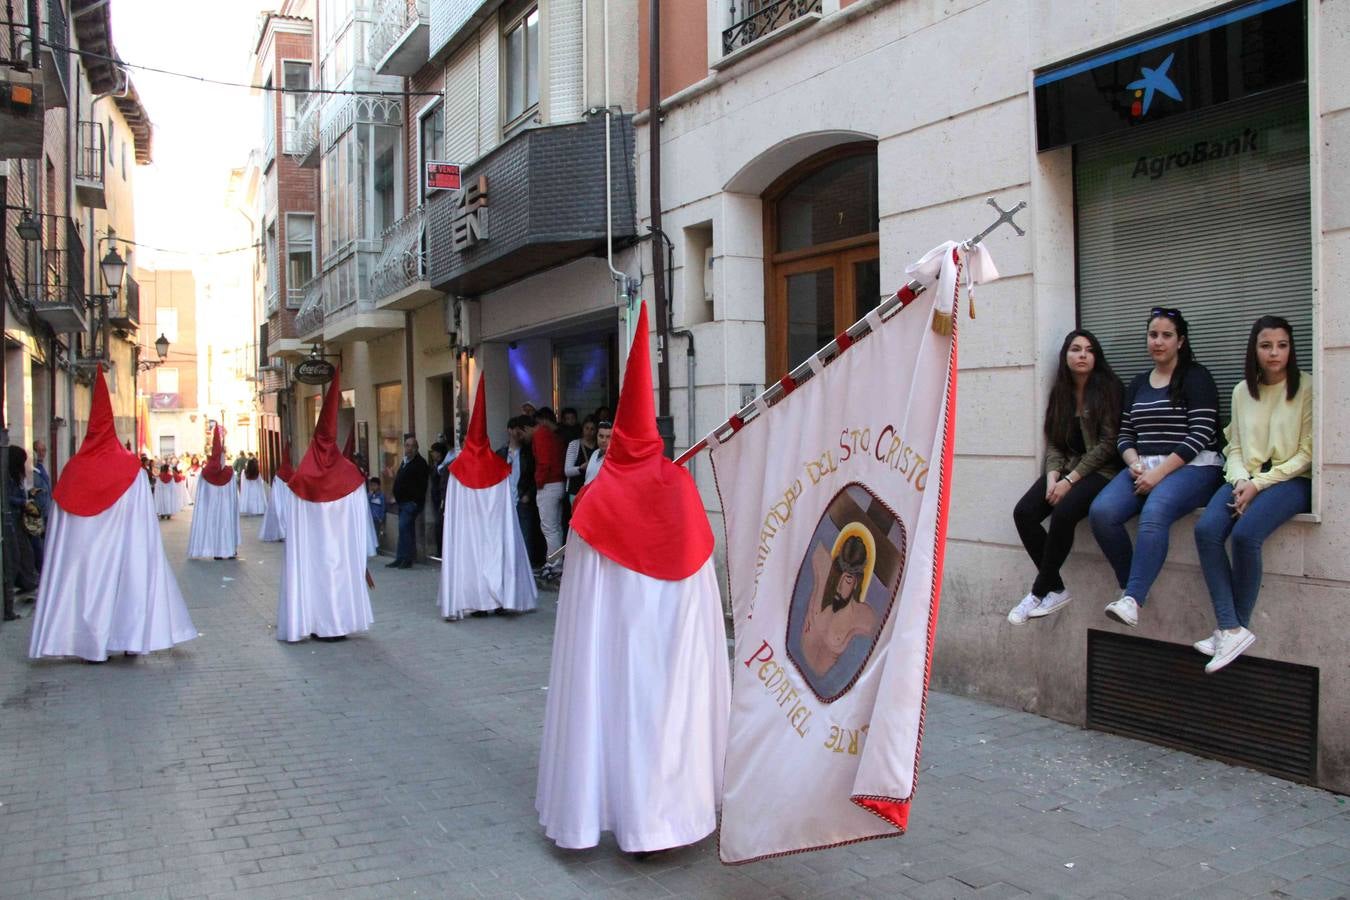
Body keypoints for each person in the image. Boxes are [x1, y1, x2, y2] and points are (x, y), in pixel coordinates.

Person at [537, 302, 729, 854]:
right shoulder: (682, 492)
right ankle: (672, 819)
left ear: (616, 435)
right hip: (673, 644)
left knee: (620, 716)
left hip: (618, 642)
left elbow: (579, 604)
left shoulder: (597, 498)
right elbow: (702, 589)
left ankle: (625, 817)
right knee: (670, 717)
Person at [28, 368, 197, 661]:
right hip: (123, 550)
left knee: (85, 587)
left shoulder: (72, 471)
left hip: (82, 557)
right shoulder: (131, 471)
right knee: (124, 585)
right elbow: (143, 525)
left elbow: (59, 528)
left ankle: (87, 644)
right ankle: (129, 638)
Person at [1088, 307, 1222, 627]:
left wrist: (1158, 475)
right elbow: (1125, 433)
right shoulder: (1137, 383)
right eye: (1153, 335)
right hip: (1144, 465)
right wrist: (1134, 462)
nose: (1158, 342)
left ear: (1181, 341)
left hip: (1194, 466)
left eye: (1166, 335)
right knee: (1102, 513)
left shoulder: (1196, 377)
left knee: (1155, 511)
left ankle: (1134, 598)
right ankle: (1131, 586)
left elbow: (1201, 433)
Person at [1193, 316, 1312, 673]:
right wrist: (1243, 479)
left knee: (1245, 535)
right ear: (1254, 349)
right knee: (1207, 531)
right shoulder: (1242, 390)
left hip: (1291, 481)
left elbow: (1308, 453)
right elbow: (1236, 446)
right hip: (1245, 477)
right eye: (1266, 345)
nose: (1274, 353)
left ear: (1291, 348)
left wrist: (1260, 484)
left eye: (1282, 345)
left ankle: (1232, 627)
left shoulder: (1306, 387)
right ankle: (1231, 628)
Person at [1009, 330, 1123, 623]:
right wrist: (1051, 476)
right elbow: (1056, 443)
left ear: (1096, 357)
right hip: (1068, 469)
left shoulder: (1109, 389)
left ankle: (1037, 591)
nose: (1082, 355)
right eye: (1075, 349)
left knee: (1064, 513)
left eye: (1088, 350)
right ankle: (1056, 588)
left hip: (1103, 472)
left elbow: (1108, 446)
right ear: (1066, 356)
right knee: (1024, 512)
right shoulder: (1061, 393)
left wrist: (1069, 480)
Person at [276, 371, 377, 643]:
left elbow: (292, 523)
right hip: (342, 549)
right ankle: (339, 623)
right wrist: (362, 550)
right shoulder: (351, 475)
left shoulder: (302, 479)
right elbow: (359, 519)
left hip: (312, 550)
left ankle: (315, 621)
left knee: (316, 579)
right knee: (339, 577)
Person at [438, 373, 537, 621]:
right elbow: (505, 508)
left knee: (472, 559)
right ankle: (499, 597)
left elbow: (453, 508)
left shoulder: (458, 469)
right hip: (493, 527)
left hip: (469, 528)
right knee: (495, 555)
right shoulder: (498, 466)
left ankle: (477, 600)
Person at [187, 426, 242, 560]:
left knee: (214, 526)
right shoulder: (229, 474)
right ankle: (228, 550)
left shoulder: (205, 473)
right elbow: (234, 496)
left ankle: (217, 551)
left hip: (212, 507)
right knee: (226, 526)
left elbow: (201, 495)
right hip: (226, 508)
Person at [532, 408, 566, 578]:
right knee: (556, 528)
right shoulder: (558, 437)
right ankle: (556, 562)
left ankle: (553, 564)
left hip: (548, 484)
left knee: (549, 528)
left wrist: (539, 482)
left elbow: (544, 462)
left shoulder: (542, 434)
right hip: (559, 482)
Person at [388, 436, 429, 569]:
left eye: (411, 446)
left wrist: (414, 501)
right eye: (406, 445)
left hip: (411, 503)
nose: (408, 448)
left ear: (416, 448)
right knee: (404, 530)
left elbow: (422, 485)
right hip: (402, 502)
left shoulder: (420, 463)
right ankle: (400, 558)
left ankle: (407, 559)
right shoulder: (405, 461)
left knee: (405, 529)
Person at [259, 442, 295, 543]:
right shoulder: (293, 474)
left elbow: (275, 491)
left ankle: (281, 532)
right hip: (289, 500)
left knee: (280, 513)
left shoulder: (278, 476)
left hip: (280, 500)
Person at [563, 419, 598, 510]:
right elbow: (567, 471)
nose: (589, 432)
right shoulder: (574, 445)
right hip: (576, 490)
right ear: (582, 429)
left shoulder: (599, 447)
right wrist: (581, 468)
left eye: (592, 429)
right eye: (587, 428)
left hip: (594, 491)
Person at [30, 439, 50, 573]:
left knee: (44, 542)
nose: (42, 453)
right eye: (40, 450)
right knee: (37, 544)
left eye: (44, 450)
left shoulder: (42, 468)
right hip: (37, 511)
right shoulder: (33, 469)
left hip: (46, 509)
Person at [584, 421, 611, 486]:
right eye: (601, 436)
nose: (604, 440)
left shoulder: (614, 458)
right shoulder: (595, 453)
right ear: (597, 436)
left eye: (608, 437)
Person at [367, 477, 387, 542]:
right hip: (370, 518)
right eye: (371, 485)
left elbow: (383, 508)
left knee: (376, 534)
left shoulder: (381, 496)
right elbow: (367, 502)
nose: (373, 487)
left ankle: (376, 549)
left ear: (378, 486)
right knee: (370, 534)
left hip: (377, 519)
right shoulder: (370, 495)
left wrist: (382, 518)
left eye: (374, 485)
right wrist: (370, 495)